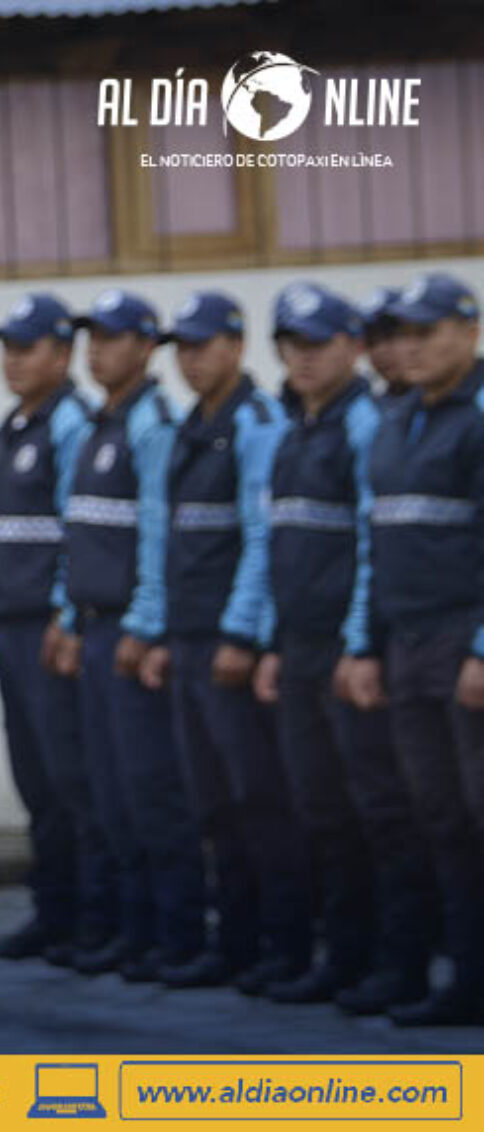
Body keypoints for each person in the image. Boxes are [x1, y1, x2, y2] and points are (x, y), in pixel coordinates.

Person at [253, 282, 436, 1013]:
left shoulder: (366, 423)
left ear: (352, 347)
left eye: (317, 343)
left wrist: (359, 642)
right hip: (297, 644)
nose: (302, 358)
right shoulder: (297, 423)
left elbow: (370, 547)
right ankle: (346, 954)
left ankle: (400, 964)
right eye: (291, 345)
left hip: (345, 646)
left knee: (378, 812)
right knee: (319, 809)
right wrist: (270, 639)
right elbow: (279, 545)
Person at [150, 291, 310, 994]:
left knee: (259, 801)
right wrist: (159, 630)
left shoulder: (256, 422)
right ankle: (237, 941)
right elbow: (173, 539)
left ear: (236, 347)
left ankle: (285, 943)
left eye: (202, 344)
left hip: (228, 644)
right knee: (211, 802)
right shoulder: (191, 425)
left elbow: (262, 538)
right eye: (181, 347)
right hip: (187, 638)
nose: (190, 359)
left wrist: (243, 632)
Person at [50, 289, 205, 982]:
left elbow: (156, 534)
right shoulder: (96, 423)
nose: (98, 350)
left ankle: (176, 935)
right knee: (109, 791)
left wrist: (145, 623)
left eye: (113, 338)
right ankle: (133, 930)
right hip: (93, 626)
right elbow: (78, 531)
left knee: (152, 791)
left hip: (131, 631)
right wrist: (66, 614)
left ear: (148, 345)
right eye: (92, 338)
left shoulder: (153, 423)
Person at [0, 293, 112, 966]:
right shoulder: (9, 429)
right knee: (35, 780)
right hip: (11, 625)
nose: (13, 361)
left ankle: (92, 916)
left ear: (63, 354)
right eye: (7, 348)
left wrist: (63, 614)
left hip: (51, 630)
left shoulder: (72, 424)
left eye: (27, 348)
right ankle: (51, 912)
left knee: (71, 779)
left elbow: (76, 536)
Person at [363, 271, 484, 1026]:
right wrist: (367, 645)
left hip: (462, 642)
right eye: (403, 333)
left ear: (469, 332)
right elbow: (383, 545)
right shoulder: (399, 419)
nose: (411, 347)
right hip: (407, 644)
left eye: (428, 331)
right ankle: (466, 978)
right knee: (438, 816)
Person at [359, 286, 411, 401]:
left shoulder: (441, 401)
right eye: (371, 342)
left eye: (390, 337)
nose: (380, 351)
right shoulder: (368, 408)